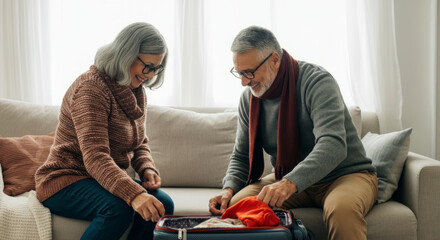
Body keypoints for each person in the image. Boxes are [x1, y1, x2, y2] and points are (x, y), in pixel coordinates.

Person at [209, 26, 378, 240]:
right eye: (239, 73)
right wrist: (228, 189)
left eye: (249, 72)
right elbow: (242, 155)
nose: (244, 82)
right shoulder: (249, 98)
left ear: (275, 60)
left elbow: (333, 144)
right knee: (236, 207)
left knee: (342, 211)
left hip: (345, 175)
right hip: (291, 178)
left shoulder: (317, 82)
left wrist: (289, 183)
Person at [35, 22, 173, 240]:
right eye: (147, 66)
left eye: (156, 69)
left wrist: (146, 167)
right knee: (119, 209)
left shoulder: (135, 90)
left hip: (97, 179)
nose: (149, 75)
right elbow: (95, 157)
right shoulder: (91, 89)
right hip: (64, 180)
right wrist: (134, 194)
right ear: (127, 54)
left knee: (163, 204)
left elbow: (139, 142)